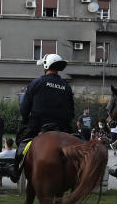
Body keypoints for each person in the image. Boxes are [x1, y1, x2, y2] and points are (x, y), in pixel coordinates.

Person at [10, 54, 75, 182]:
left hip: (37, 126)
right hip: (62, 127)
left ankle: (16, 171)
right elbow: (71, 112)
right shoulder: (66, 86)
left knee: (22, 144)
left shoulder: (37, 82)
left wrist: (25, 120)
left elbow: (24, 110)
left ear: (46, 65)